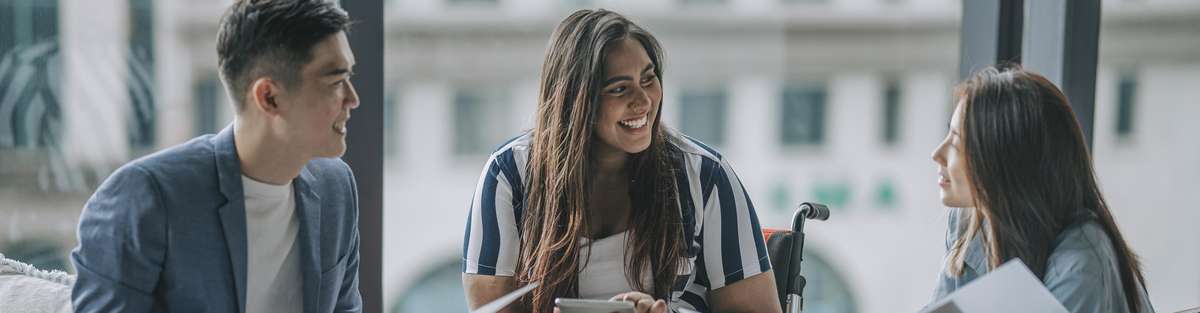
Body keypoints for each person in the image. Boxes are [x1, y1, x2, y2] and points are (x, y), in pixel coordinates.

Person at [461, 9, 781, 313]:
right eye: (619, 89)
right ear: (576, 99)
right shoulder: (509, 174)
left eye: (648, 78)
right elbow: (490, 307)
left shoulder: (705, 175)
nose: (643, 101)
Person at [70, 0, 362, 312]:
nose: (353, 99)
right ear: (269, 97)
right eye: (335, 82)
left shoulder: (336, 187)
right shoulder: (144, 198)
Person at [929, 66, 1155, 313]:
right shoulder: (969, 223)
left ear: (1004, 161)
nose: (937, 154)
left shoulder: (1081, 266)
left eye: (957, 142)